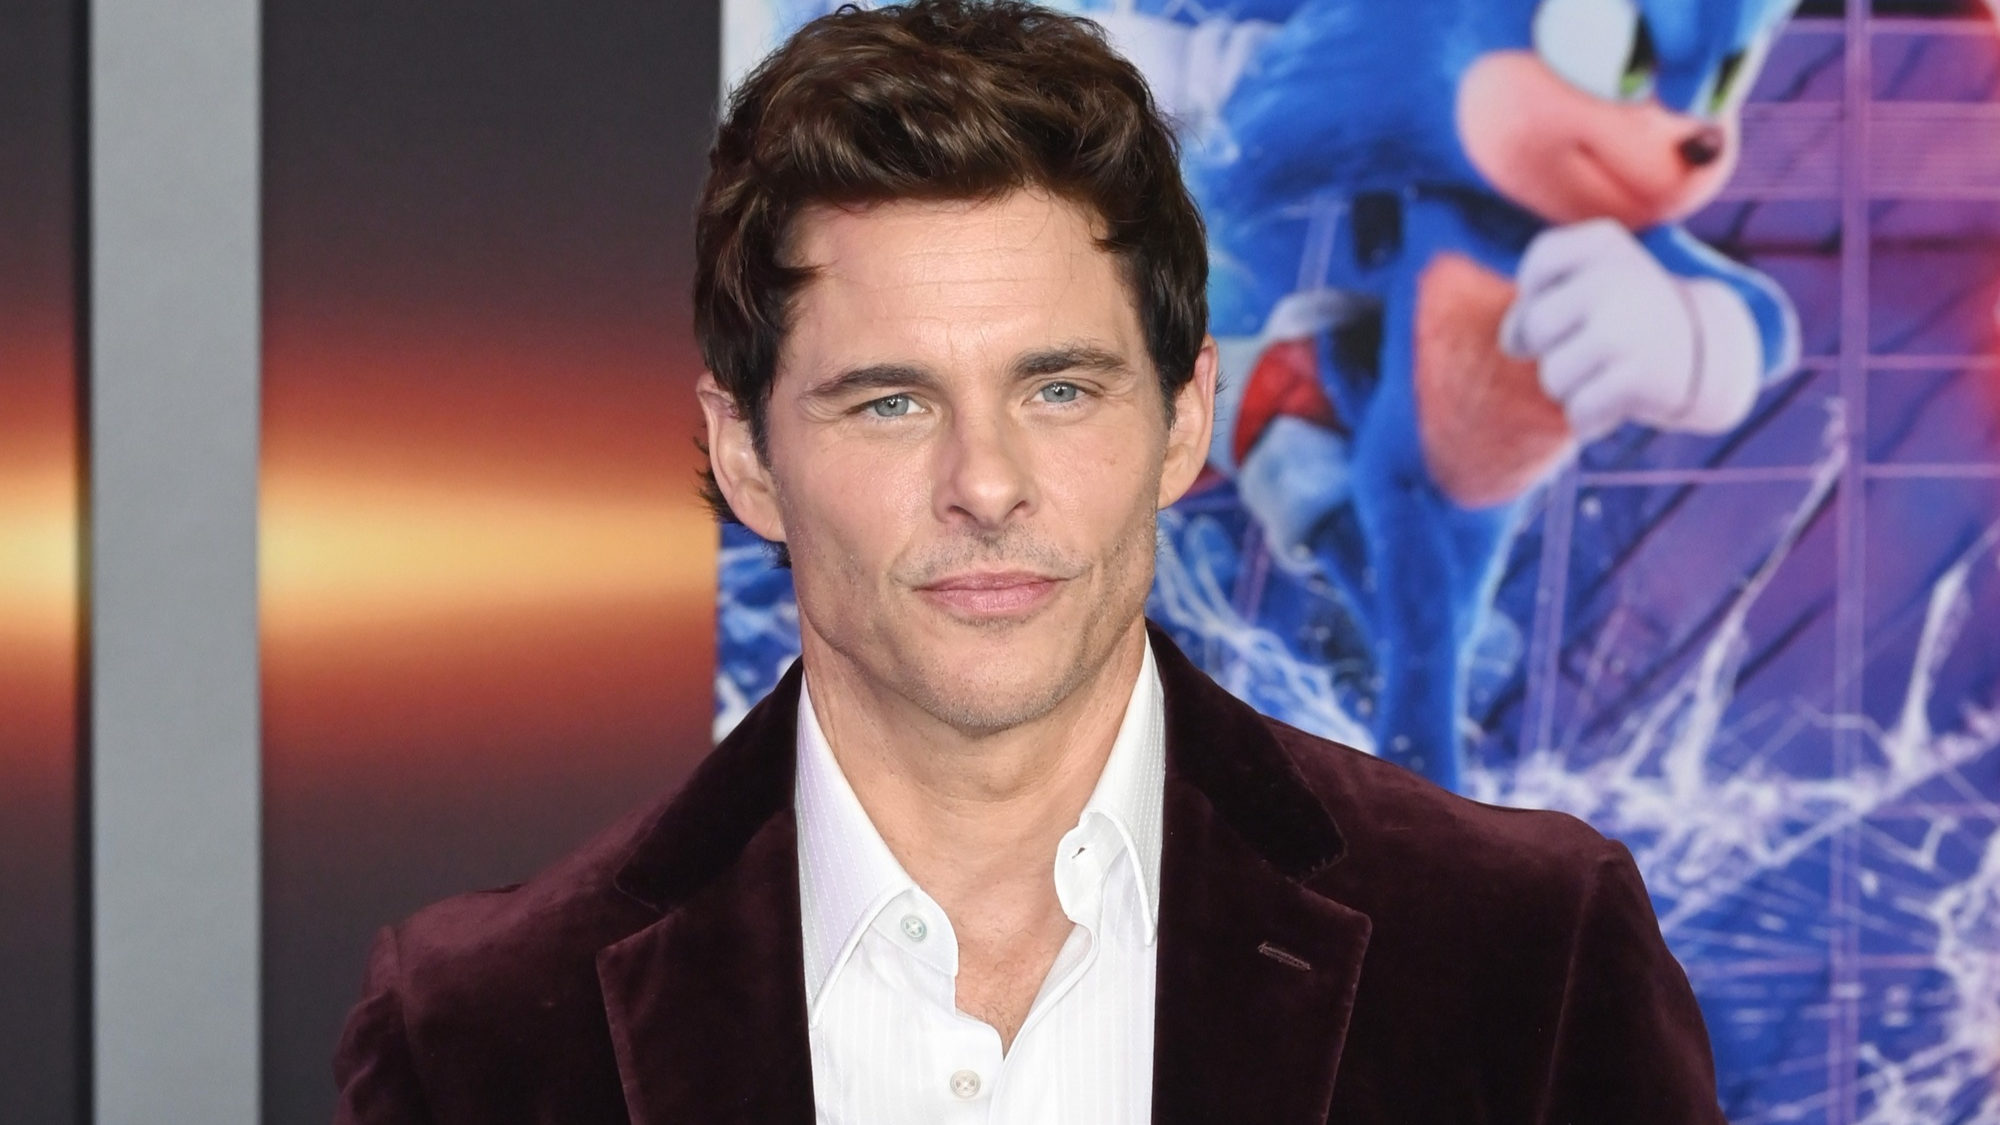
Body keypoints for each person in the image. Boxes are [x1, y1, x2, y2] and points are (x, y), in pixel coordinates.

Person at [332, 2, 1725, 1121]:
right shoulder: (479, 1036)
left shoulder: (1524, 956)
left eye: (1059, 389)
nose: (986, 483)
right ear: (747, 455)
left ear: (1185, 420)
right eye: (892, 401)